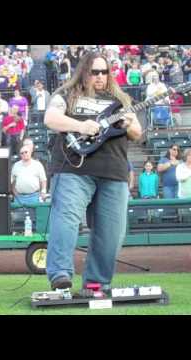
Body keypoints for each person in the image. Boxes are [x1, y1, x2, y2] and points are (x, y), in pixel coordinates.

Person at [43, 51, 142, 291]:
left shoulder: (122, 100)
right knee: (65, 221)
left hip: (114, 170)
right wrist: (80, 125)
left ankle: (97, 283)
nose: (100, 76)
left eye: (104, 71)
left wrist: (129, 124)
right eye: (94, 71)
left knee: (112, 232)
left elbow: (138, 134)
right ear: (84, 72)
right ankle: (60, 275)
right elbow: (50, 118)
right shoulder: (66, 94)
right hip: (74, 168)